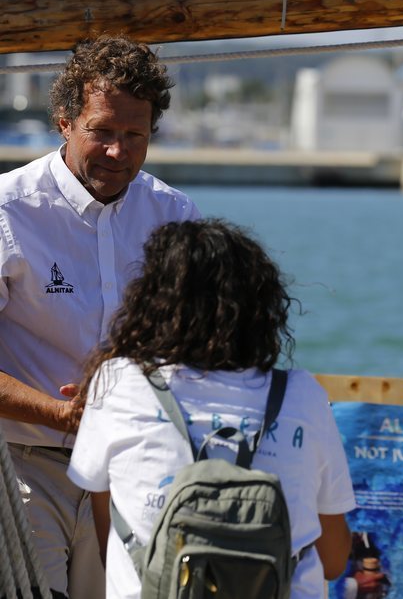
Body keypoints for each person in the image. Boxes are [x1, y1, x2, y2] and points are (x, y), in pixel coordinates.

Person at [0, 35, 200, 599]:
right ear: (64, 121)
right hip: (24, 467)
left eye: (134, 135)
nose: (117, 151)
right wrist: (65, 415)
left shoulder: (176, 215)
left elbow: (197, 346)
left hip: (136, 473)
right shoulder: (7, 210)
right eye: (102, 132)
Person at [66, 218, 356, 599]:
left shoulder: (118, 382)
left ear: (152, 302)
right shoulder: (301, 394)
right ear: (261, 307)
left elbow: (109, 535)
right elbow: (333, 560)